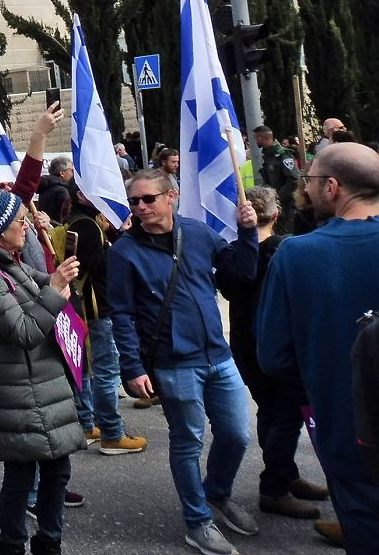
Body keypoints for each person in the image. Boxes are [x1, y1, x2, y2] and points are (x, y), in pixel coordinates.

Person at [108, 169, 259, 555]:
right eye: (134, 201)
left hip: (218, 355)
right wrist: (132, 367)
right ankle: (197, 522)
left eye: (148, 199)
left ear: (171, 197)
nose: (141, 207)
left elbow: (240, 276)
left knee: (236, 435)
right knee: (188, 442)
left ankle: (217, 494)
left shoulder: (197, 232)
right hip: (173, 363)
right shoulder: (124, 251)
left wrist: (247, 233)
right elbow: (121, 315)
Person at [258, 143, 379, 548]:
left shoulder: (296, 255)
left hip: (349, 427)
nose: (305, 188)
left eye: (309, 180)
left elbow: (273, 357)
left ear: (331, 186)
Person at [0, 189, 84, 555]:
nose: (25, 226)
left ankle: (49, 542)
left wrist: (59, 275)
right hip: (15, 392)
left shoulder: (9, 262)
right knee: (21, 477)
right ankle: (13, 544)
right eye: (19, 221)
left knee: (57, 472)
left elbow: (41, 281)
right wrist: (55, 291)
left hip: (42, 386)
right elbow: (24, 331)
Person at [215, 186, 328, 520]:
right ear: (276, 214)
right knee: (287, 416)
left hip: (247, 346)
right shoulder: (287, 250)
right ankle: (275, 487)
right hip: (280, 345)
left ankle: (286, 474)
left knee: (270, 411)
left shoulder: (232, 253)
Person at [63, 188, 146, 457]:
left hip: (91, 306)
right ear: (81, 195)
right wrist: (118, 236)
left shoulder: (79, 220)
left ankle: (88, 424)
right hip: (99, 306)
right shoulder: (87, 225)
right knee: (106, 371)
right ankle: (112, 433)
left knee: (90, 370)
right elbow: (102, 268)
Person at [251, 126, 301, 232]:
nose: (255, 142)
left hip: (287, 205)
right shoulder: (268, 155)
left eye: (256, 138)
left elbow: (293, 179)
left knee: (287, 233)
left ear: (260, 138)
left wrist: (276, 197)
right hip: (277, 206)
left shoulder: (283, 155)